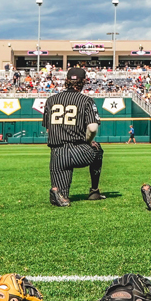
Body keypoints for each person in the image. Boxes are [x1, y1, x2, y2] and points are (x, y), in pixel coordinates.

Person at [41, 68, 105, 207]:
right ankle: (94, 191)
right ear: (83, 82)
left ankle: (58, 193)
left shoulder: (51, 100)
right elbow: (92, 127)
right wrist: (88, 142)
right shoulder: (86, 100)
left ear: (66, 81)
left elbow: (48, 128)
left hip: (57, 153)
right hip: (79, 151)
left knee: (62, 193)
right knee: (97, 149)